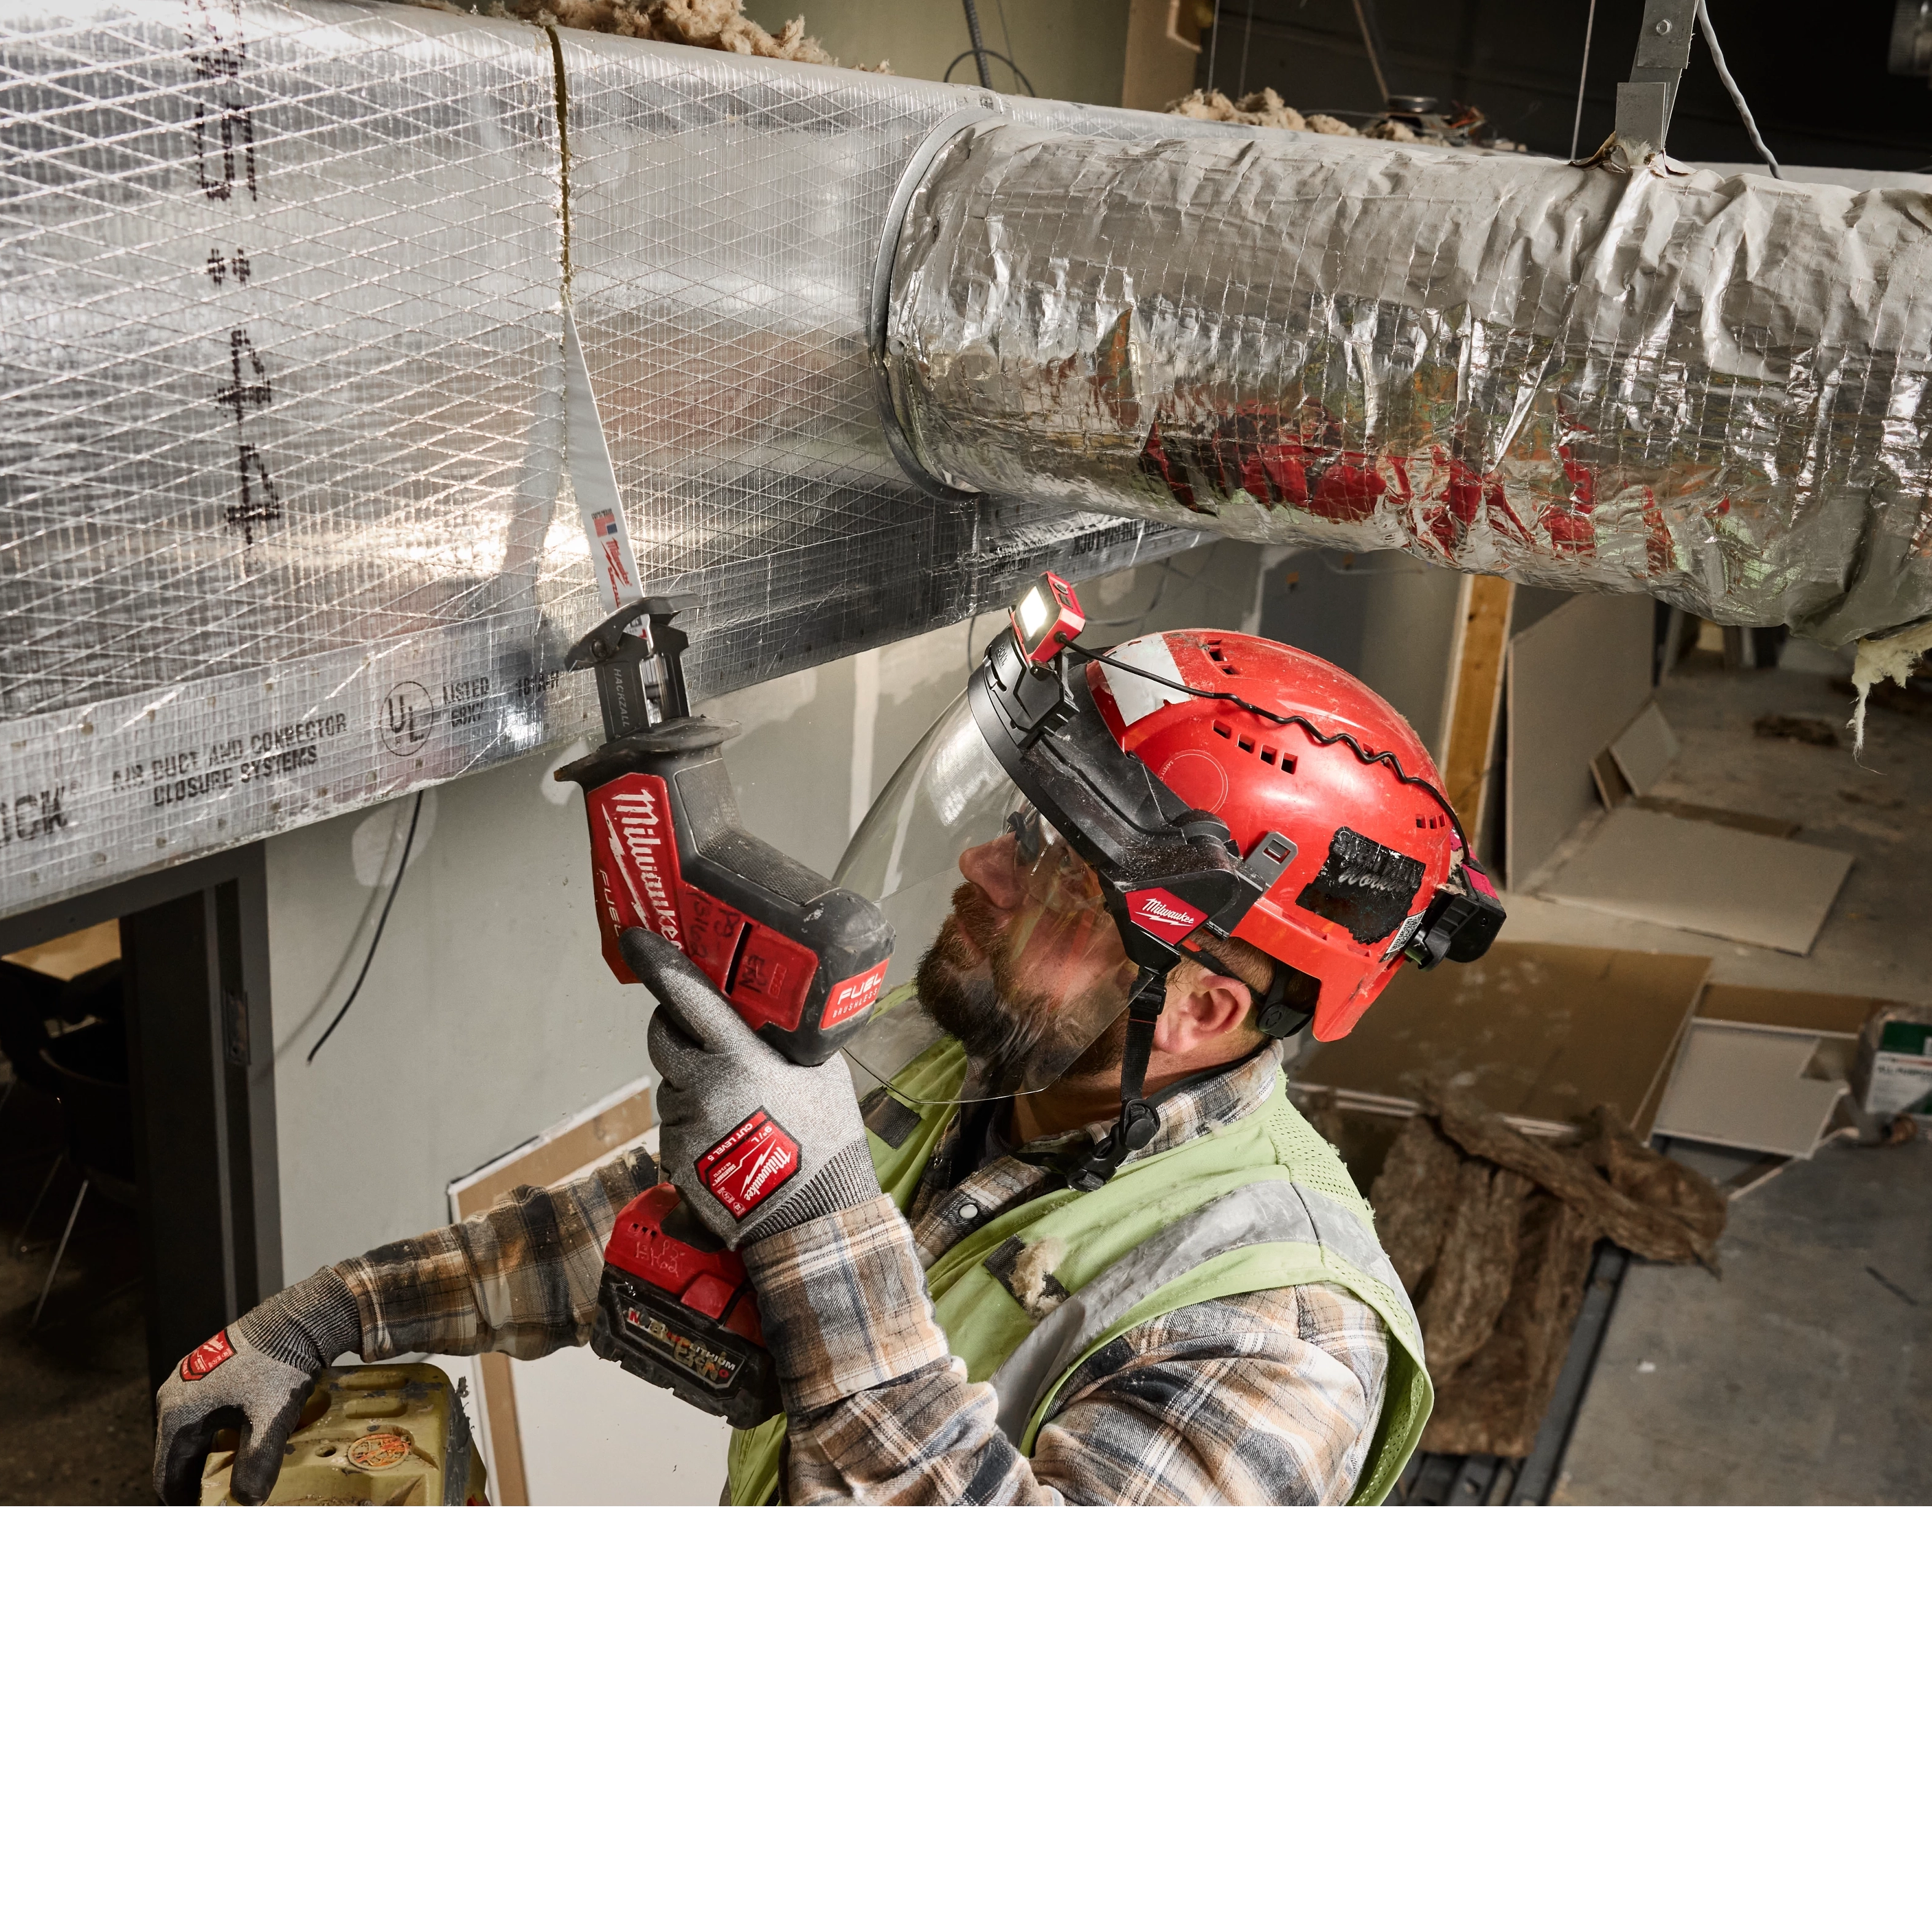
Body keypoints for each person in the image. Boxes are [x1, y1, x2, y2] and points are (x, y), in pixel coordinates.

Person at [154, 612, 1502, 1507]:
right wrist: (330, 1313)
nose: (984, 866)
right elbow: (649, 1241)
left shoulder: (1279, 1334)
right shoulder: (966, 1064)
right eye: (1016, 825)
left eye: (1059, 880)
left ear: (1201, 1010)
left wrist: (818, 1218)